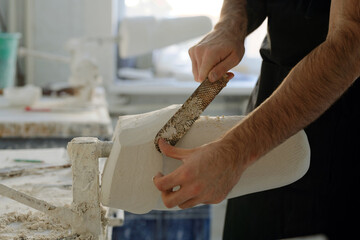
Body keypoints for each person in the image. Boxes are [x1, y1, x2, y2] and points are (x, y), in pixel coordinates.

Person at [154, 0, 360, 238]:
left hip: (342, 141)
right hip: (265, 118)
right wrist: (230, 26)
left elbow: (351, 42)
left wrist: (235, 151)